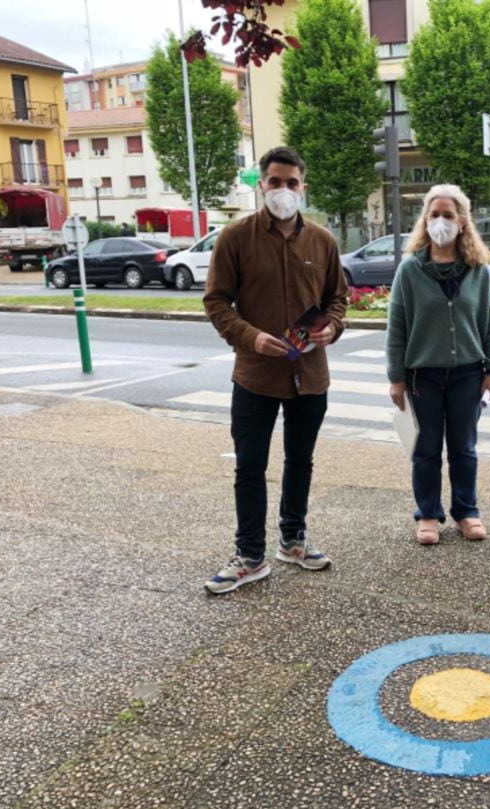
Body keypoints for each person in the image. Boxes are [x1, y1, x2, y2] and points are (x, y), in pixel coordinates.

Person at [203, 146, 348, 594]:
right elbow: (216, 301)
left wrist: (333, 328)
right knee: (249, 466)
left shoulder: (322, 241)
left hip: (309, 375)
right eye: (274, 182)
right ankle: (250, 554)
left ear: (303, 187)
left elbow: (336, 299)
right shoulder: (236, 238)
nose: (283, 190)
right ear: (260, 185)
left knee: (300, 461)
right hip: (255, 376)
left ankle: (293, 539)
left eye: (291, 183)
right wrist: (249, 337)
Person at [385, 184, 490, 545]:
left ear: (463, 222)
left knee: (464, 449)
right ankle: (429, 514)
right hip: (424, 377)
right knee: (426, 450)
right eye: (433, 215)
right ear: (424, 220)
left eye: (448, 215)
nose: (440, 222)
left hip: (468, 373)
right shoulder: (410, 270)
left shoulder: (478, 270)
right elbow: (397, 326)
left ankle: (466, 511)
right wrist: (396, 378)